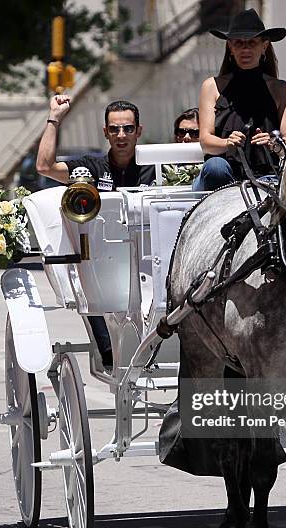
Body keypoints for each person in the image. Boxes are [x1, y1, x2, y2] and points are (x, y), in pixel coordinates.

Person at [36, 97, 156, 368]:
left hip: (149, 262)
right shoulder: (90, 167)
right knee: (93, 293)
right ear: (105, 132)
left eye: (127, 128)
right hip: (103, 265)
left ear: (139, 130)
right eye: (114, 129)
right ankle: (111, 353)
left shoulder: (157, 167)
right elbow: (44, 166)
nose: (121, 135)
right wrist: (55, 117)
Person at [192, 8, 286, 192]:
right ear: (230, 46)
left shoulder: (282, 89)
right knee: (216, 168)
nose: (245, 49)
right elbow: (205, 141)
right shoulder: (211, 86)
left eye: (252, 43)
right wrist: (227, 143)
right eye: (239, 43)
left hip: (266, 174)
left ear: (264, 46)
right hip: (222, 174)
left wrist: (273, 143)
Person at [163, 108, 202, 186]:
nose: (186, 137)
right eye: (181, 132)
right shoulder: (164, 166)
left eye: (194, 133)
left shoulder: (211, 166)